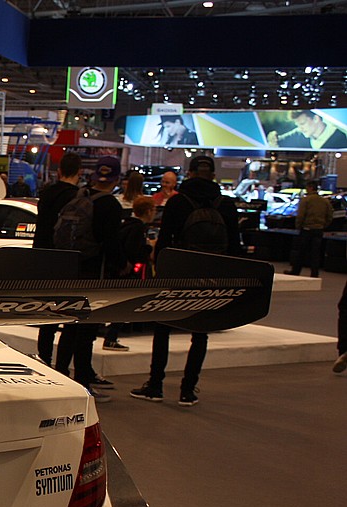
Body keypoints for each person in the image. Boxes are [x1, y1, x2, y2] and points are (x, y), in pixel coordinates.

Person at [131, 154, 242, 407]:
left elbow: (164, 241)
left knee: (163, 328)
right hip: (210, 274)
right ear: (213, 176)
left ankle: (155, 386)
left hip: (178, 271)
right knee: (200, 332)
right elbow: (235, 246)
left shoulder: (178, 202)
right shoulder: (225, 204)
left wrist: (159, 271)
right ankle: (188, 390)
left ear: (189, 174)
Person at [54, 154, 123, 402]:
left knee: (70, 327)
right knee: (86, 331)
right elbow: (112, 244)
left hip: (72, 270)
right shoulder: (110, 205)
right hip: (95, 273)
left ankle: (61, 376)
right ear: (116, 178)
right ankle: (83, 383)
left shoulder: (79, 196)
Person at [33, 151, 82, 366]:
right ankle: (62, 367)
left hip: (44, 258)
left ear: (60, 170)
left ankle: (44, 359)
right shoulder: (77, 197)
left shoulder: (46, 193)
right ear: (79, 172)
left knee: (47, 316)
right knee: (69, 316)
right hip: (66, 260)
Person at [104, 195, 156, 351]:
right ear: (148, 211)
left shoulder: (126, 224)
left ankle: (110, 337)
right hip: (128, 273)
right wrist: (148, 248)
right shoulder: (138, 228)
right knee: (124, 306)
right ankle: (111, 338)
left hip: (119, 271)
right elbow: (134, 250)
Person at [289, 180, 331, 277]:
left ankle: (296, 271)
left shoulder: (306, 200)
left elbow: (300, 215)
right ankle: (314, 273)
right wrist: (323, 225)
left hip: (306, 229)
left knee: (301, 252)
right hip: (319, 230)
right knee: (315, 253)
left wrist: (298, 226)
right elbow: (329, 216)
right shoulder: (325, 201)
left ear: (310, 188)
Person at [267, 109, 347, 150]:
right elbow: (277, 140)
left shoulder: (340, 138)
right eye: (298, 125)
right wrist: (272, 138)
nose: (300, 128)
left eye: (302, 123)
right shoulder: (299, 133)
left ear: (316, 119)